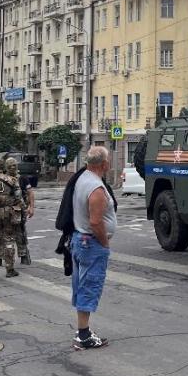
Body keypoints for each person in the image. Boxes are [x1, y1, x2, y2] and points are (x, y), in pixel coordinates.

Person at [70, 146, 116, 350]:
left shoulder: (82, 178)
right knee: (89, 287)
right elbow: (96, 222)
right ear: (104, 164)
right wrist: (105, 243)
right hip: (91, 243)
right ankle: (83, 336)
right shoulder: (96, 188)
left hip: (81, 240)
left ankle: (83, 330)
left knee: (82, 286)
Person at [6, 157, 34, 265]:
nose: (12, 168)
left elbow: (30, 192)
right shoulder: (3, 179)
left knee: (21, 233)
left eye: (14, 165)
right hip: (7, 210)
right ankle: (0, 257)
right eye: (10, 166)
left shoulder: (22, 178)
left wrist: (31, 207)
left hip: (20, 210)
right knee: (5, 234)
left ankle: (24, 255)